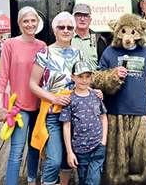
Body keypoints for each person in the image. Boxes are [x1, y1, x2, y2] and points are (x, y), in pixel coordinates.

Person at [29, 12, 102, 185]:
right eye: (61, 27)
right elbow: (32, 84)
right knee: (54, 159)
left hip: (76, 113)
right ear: (54, 30)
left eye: (70, 27)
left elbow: (81, 82)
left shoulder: (79, 54)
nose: (66, 30)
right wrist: (54, 99)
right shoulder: (44, 52)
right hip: (53, 113)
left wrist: (94, 92)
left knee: (68, 158)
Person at [93, 14, 146, 185]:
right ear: (118, 32)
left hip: (140, 111)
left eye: (133, 32)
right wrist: (113, 75)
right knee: (116, 159)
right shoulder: (109, 52)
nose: (128, 37)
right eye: (124, 31)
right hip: (115, 111)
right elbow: (95, 80)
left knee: (139, 157)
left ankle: (139, 181)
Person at [0, 6, 46, 185]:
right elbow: (2, 76)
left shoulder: (42, 46)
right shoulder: (10, 44)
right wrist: (0, 106)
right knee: (16, 150)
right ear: (19, 23)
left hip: (39, 105)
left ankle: (32, 180)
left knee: (34, 147)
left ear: (38, 23)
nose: (30, 24)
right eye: (26, 21)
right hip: (18, 107)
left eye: (33, 21)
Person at [59, 61, 108, 185]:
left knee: (93, 181)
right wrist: (69, 152)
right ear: (73, 77)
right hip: (80, 149)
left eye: (87, 76)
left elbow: (103, 117)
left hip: (97, 146)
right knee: (83, 180)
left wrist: (103, 141)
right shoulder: (70, 100)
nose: (84, 80)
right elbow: (66, 126)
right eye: (80, 76)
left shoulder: (96, 97)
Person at [70, 4, 108, 71]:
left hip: (93, 80)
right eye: (79, 16)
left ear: (90, 20)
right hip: (72, 80)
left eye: (86, 16)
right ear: (73, 19)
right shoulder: (67, 38)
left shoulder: (100, 41)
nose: (82, 19)